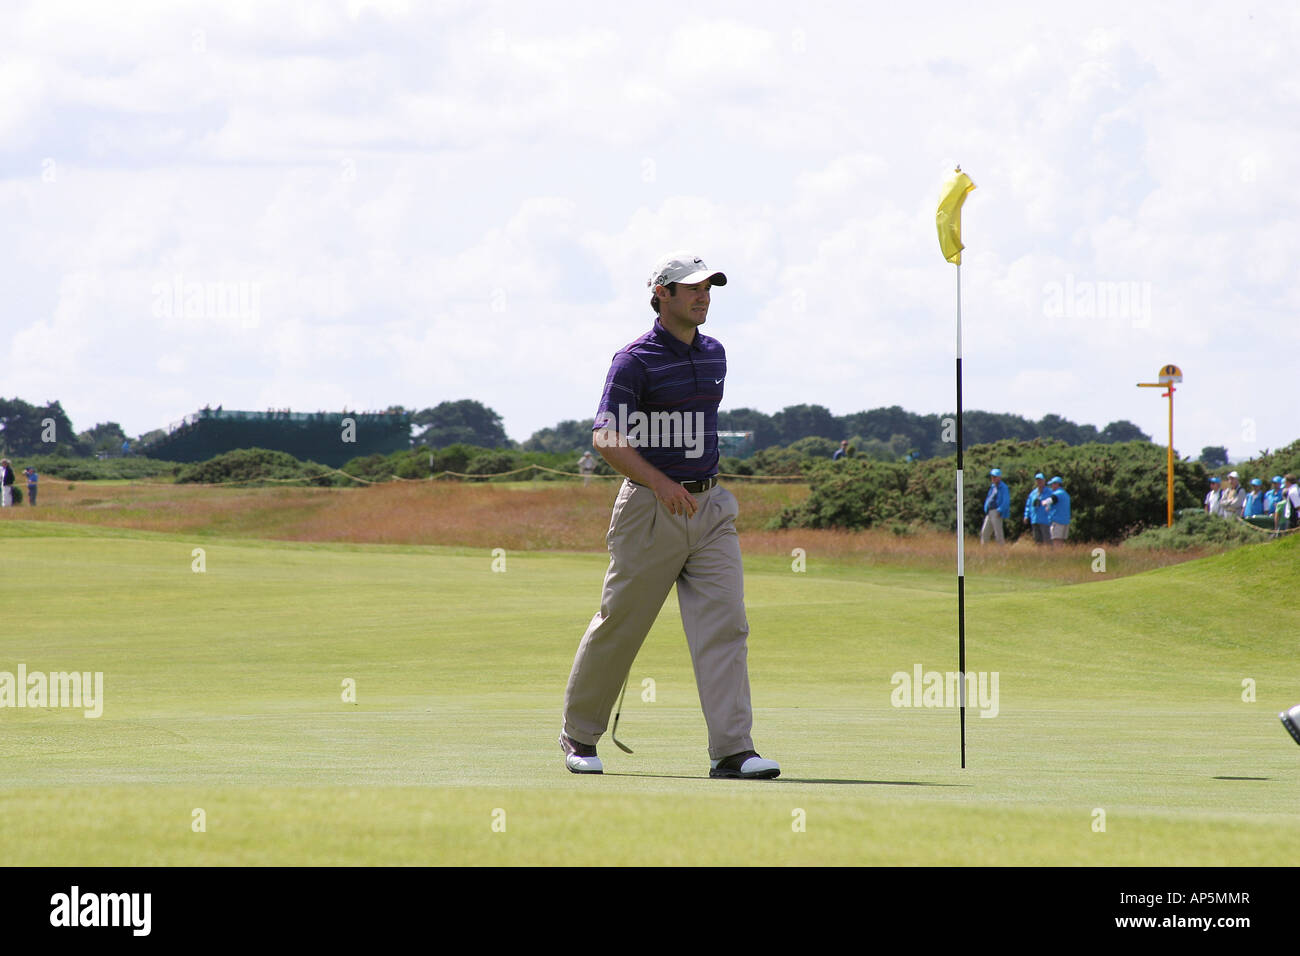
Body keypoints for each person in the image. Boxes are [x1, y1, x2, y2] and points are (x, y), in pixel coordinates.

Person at [559, 251, 779, 781]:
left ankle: (732, 750)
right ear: (661, 293)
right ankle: (579, 735)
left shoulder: (715, 354)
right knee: (622, 625)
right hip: (649, 508)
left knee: (726, 626)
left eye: (709, 287)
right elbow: (606, 437)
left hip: (711, 508)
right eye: (691, 288)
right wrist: (660, 482)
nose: (703, 296)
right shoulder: (634, 360)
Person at [979, 468, 1010, 544]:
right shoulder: (993, 487)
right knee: (984, 532)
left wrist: (1000, 510)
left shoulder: (1003, 487)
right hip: (989, 512)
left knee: (998, 533)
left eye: (995, 477)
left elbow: (1006, 501)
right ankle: (983, 550)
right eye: (992, 476)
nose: (993, 478)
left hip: (996, 511)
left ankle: (1001, 550)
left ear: (999, 477)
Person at [1039, 475, 1071, 547]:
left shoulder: (1057, 494)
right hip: (1066, 521)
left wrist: (1043, 502)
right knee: (1062, 541)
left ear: (1057, 484)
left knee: (1056, 541)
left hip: (1057, 521)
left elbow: (1049, 501)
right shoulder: (1066, 494)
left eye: (1052, 484)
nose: (1051, 486)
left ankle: (1057, 556)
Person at [1023, 472, 1050, 545]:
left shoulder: (1049, 492)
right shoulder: (1033, 493)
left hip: (1045, 520)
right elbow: (1028, 505)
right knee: (1037, 541)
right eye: (1037, 480)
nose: (1039, 482)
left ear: (1044, 481)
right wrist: (1026, 516)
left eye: (1040, 480)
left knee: (1047, 540)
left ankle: (1050, 554)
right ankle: (1039, 555)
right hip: (1035, 519)